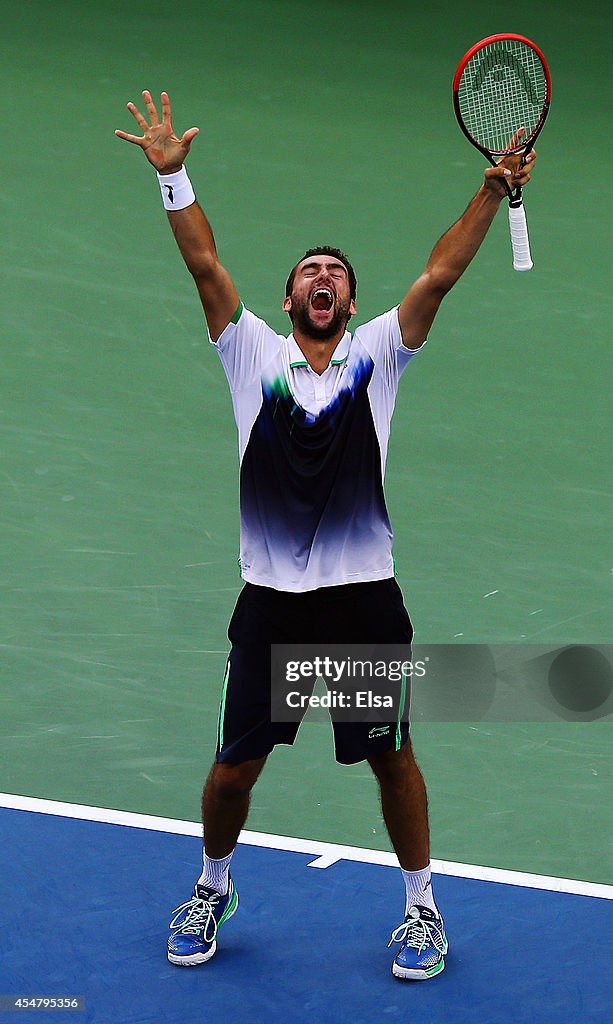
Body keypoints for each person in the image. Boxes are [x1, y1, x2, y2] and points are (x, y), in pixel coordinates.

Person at [115, 90, 536, 981]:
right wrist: (174, 178)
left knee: (390, 759)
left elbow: (438, 276)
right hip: (270, 606)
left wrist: (490, 191)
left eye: (336, 273)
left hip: (361, 606)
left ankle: (422, 910)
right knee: (233, 771)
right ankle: (212, 883)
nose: (322, 278)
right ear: (287, 296)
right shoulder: (250, 354)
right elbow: (203, 267)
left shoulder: (379, 353)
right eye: (309, 270)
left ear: (350, 300)